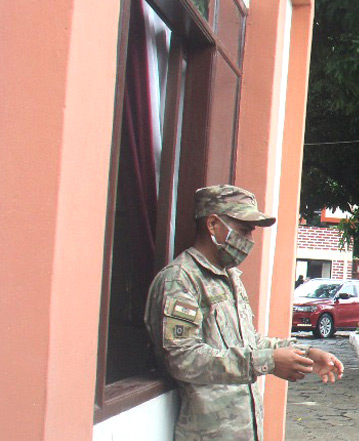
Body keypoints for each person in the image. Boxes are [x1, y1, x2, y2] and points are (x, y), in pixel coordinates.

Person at [144, 185, 345, 441]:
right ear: (213, 224)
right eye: (244, 229)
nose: (250, 240)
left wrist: (303, 354)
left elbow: (249, 342)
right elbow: (183, 359)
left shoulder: (229, 278)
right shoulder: (181, 280)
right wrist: (267, 361)